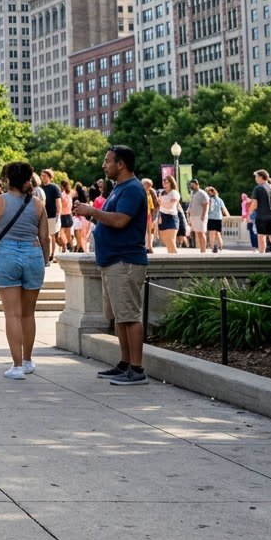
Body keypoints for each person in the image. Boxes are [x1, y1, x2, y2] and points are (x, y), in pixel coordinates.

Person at [74, 146, 149, 385]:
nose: (103, 165)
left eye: (107, 161)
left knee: (129, 316)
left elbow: (120, 221)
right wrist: (93, 214)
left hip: (125, 261)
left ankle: (137, 370)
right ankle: (125, 364)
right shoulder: (119, 189)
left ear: (121, 164)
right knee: (119, 317)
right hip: (112, 261)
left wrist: (92, 211)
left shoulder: (133, 189)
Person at [0, 161, 51, 379]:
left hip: (7, 254)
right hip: (33, 254)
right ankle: (28, 361)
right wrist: (44, 260)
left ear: (7, 179)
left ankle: (17, 366)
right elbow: (45, 238)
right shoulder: (38, 204)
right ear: (29, 179)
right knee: (29, 314)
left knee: (12, 314)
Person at [251, 170, 271, 254]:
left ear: (260, 177)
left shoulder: (258, 188)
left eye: (256, 177)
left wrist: (249, 212)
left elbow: (255, 204)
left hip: (261, 216)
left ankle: (262, 254)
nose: (255, 179)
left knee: (261, 236)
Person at [157, 175, 181, 253]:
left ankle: (177, 261)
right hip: (162, 216)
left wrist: (162, 202)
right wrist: (159, 216)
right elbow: (160, 205)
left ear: (171, 183)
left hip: (171, 217)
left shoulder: (174, 193)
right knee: (166, 241)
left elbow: (170, 205)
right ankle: (171, 259)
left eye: (166, 182)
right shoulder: (161, 193)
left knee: (171, 240)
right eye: (164, 182)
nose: (164, 184)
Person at [39, 169, 62, 250]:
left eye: (44, 176)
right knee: (43, 235)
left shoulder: (54, 188)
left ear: (49, 177)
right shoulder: (39, 188)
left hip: (52, 215)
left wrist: (58, 215)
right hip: (42, 215)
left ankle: (52, 254)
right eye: (41, 175)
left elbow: (58, 202)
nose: (42, 177)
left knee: (51, 235)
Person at [186, 179, 209, 254]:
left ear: (197, 184)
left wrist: (203, 215)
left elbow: (206, 204)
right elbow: (191, 203)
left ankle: (204, 251)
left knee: (202, 233)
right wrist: (189, 210)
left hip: (200, 216)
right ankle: (201, 250)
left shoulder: (202, 193)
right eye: (191, 185)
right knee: (198, 233)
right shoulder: (193, 193)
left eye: (193, 185)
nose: (191, 187)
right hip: (194, 216)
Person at [205, 187, 229, 253]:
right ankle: (220, 246)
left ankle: (213, 248)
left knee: (211, 233)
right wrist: (228, 216)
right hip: (218, 218)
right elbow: (224, 209)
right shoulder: (219, 200)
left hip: (211, 218)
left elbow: (207, 209)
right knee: (218, 233)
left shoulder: (208, 200)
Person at [72, 184, 91, 253]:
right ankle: (81, 246)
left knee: (77, 232)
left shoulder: (75, 199)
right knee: (83, 233)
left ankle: (79, 246)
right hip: (84, 218)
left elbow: (73, 209)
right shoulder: (85, 198)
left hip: (77, 218)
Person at [141, 178, 159, 252]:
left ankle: (149, 247)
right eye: (147, 185)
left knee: (149, 231)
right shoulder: (140, 193)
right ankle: (145, 246)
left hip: (148, 215)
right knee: (144, 231)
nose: (149, 187)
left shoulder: (149, 194)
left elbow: (152, 206)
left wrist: (153, 215)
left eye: (150, 185)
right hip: (142, 215)